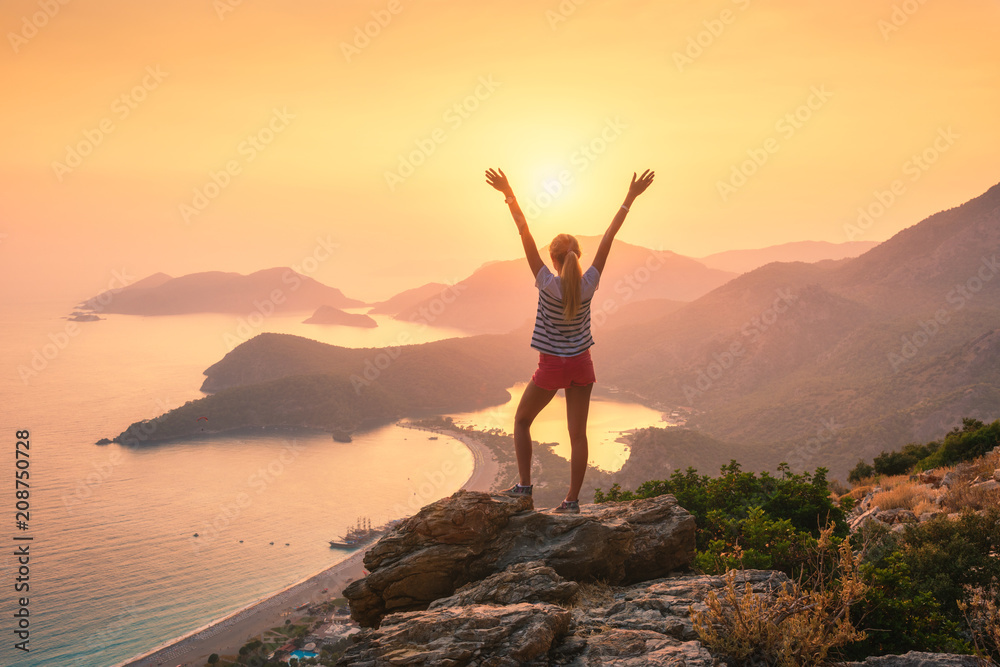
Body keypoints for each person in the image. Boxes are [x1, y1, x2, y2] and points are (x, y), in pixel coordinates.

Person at [484, 167, 655, 513]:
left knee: (520, 422)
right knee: (578, 436)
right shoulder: (588, 283)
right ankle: (572, 501)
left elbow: (523, 231)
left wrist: (509, 192)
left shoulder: (546, 283)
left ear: (553, 259)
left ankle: (524, 488)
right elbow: (608, 236)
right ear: (578, 257)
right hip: (581, 365)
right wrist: (629, 197)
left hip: (550, 368)